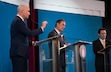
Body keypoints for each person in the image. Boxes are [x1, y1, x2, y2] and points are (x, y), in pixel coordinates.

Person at [10, 4, 48, 72]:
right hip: (19, 54)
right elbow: (30, 33)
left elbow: (20, 38)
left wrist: (32, 43)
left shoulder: (18, 21)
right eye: (28, 11)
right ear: (22, 11)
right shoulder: (18, 21)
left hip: (20, 54)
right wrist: (42, 28)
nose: (29, 13)